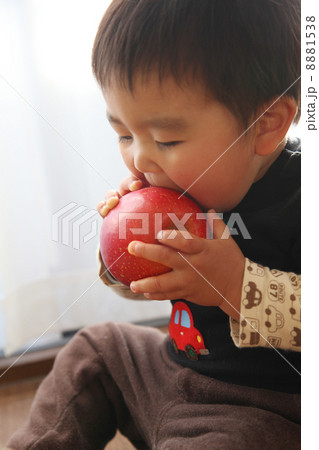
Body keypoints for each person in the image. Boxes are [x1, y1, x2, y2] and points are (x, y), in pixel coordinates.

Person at [7, 0, 301, 448]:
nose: (140, 158)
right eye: (124, 135)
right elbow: (135, 287)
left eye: (166, 139)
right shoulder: (182, 191)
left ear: (266, 124)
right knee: (96, 348)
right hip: (169, 370)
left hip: (263, 408)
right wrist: (124, 250)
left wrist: (237, 285)